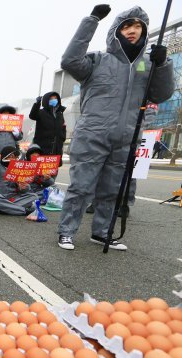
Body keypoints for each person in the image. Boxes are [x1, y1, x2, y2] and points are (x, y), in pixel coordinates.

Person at [57, 5, 174, 251]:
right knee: (81, 187)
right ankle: (66, 231)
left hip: (126, 139)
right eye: (126, 26)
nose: (132, 31)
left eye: (138, 26)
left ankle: (102, 233)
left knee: (112, 191)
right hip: (92, 135)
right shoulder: (98, 60)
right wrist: (91, 20)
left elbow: (162, 94)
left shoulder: (147, 65)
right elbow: (69, 61)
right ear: (116, 31)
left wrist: (162, 65)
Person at [0, 146, 38, 216]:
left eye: (16, 157)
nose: (15, 159)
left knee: (34, 196)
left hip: (12, 199)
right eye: (12, 156)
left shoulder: (18, 168)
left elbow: (26, 190)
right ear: (5, 156)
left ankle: (1, 209)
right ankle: (24, 211)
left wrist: (23, 187)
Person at [29, 92, 66, 159]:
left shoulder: (60, 114)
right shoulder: (41, 112)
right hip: (43, 148)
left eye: (55, 98)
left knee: (54, 168)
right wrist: (37, 104)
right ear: (46, 100)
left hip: (56, 149)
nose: (54, 100)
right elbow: (32, 116)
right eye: (51, 99)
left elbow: (63, 127)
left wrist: (62, 137)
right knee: (42, 167)